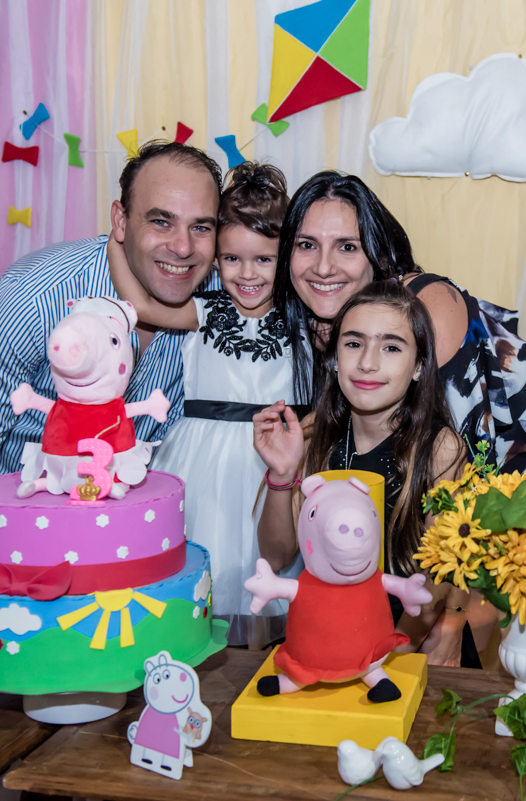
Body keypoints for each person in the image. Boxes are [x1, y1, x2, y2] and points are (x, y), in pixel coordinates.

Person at [272, 171, 526, 682]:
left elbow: (466, 480)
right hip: (499, 493)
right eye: (307, 245)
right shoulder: (334, 322)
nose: (323, 265)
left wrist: (458, 612)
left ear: (376, 250)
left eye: (346, 245)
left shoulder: (423, 311)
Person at [0, 142, 224, 548]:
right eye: (161, 222)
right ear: (120, 221)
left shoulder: (222, 302)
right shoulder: (37, 296)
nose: (182, 247)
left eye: (201, 227)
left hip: (132, 534)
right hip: (17, 524)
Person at [106, 162, 304, 649]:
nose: (247, 273)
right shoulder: (208, 309)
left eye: (264, 259)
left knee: (263, 567)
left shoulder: (301, 318)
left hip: (269, 458)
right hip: (201, 460)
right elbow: (142, 306)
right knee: (203, 561)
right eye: (232, 259)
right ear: (216, 259)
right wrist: (115, 243)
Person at [253, 281, 473, 666]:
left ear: (420, 365)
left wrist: (390, 655)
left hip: (407, 644)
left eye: (391, 347)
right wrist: (282, 472)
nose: (368, 362)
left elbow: (439, 578)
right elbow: (276, 556)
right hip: (329, 643)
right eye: (354, 343)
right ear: (335, 357)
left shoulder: (442, 450)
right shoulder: (311, 437)